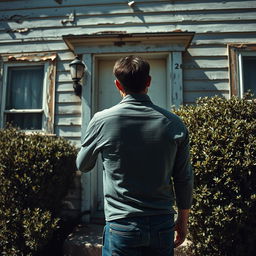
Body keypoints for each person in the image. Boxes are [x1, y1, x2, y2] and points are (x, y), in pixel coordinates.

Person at [76, 55, 193, 256]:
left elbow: (83, 164)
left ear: (117, 85)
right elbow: (184, 178)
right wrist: (183, 221)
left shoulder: (101, 121)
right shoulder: (174, 124)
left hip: (122, 225)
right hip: (162, 224)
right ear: (148, 81)